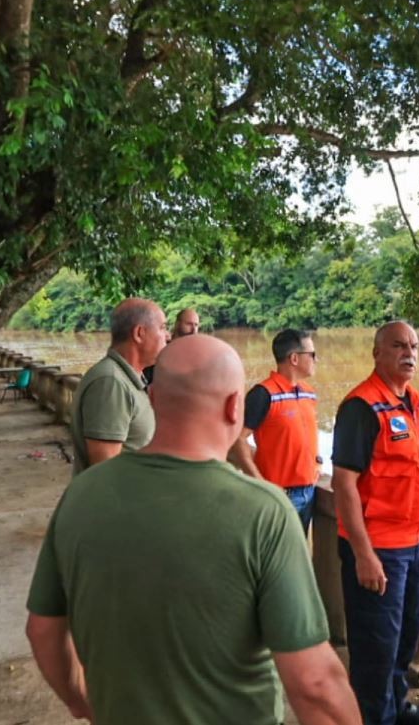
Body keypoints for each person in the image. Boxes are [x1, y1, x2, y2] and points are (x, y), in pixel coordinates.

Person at [26, 335, 361, 725]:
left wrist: (79, 699)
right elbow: (315, 683)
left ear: (151, 400)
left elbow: (43, 630)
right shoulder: (263, 513)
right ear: (236, 406)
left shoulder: (82, 494)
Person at [332, 321, 419, 725]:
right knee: (375, 651)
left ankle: (396, 710)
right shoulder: (360, 407)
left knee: (404, 642)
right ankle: (372, 717)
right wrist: (364, 554)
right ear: (377, 353)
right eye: (399, 345)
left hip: (416, 545)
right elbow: (344, 484)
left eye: (414, 345)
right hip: (379, 549)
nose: (409, 353)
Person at [228, 328, 321, 533]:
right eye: (312, 354)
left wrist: (317, 462)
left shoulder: (309, 393)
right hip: (279, 495)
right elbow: (237, 439)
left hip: (310, 491)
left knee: (298, 557)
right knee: (274, 560)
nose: (317, 359)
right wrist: (260, 482)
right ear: (294, 358)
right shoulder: (264, 394)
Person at [71, 298, 167, 473]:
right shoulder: (111, 383)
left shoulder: (129, 378)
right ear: (139, 333)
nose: (167, 335)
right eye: (162, 327)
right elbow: (105, 471)